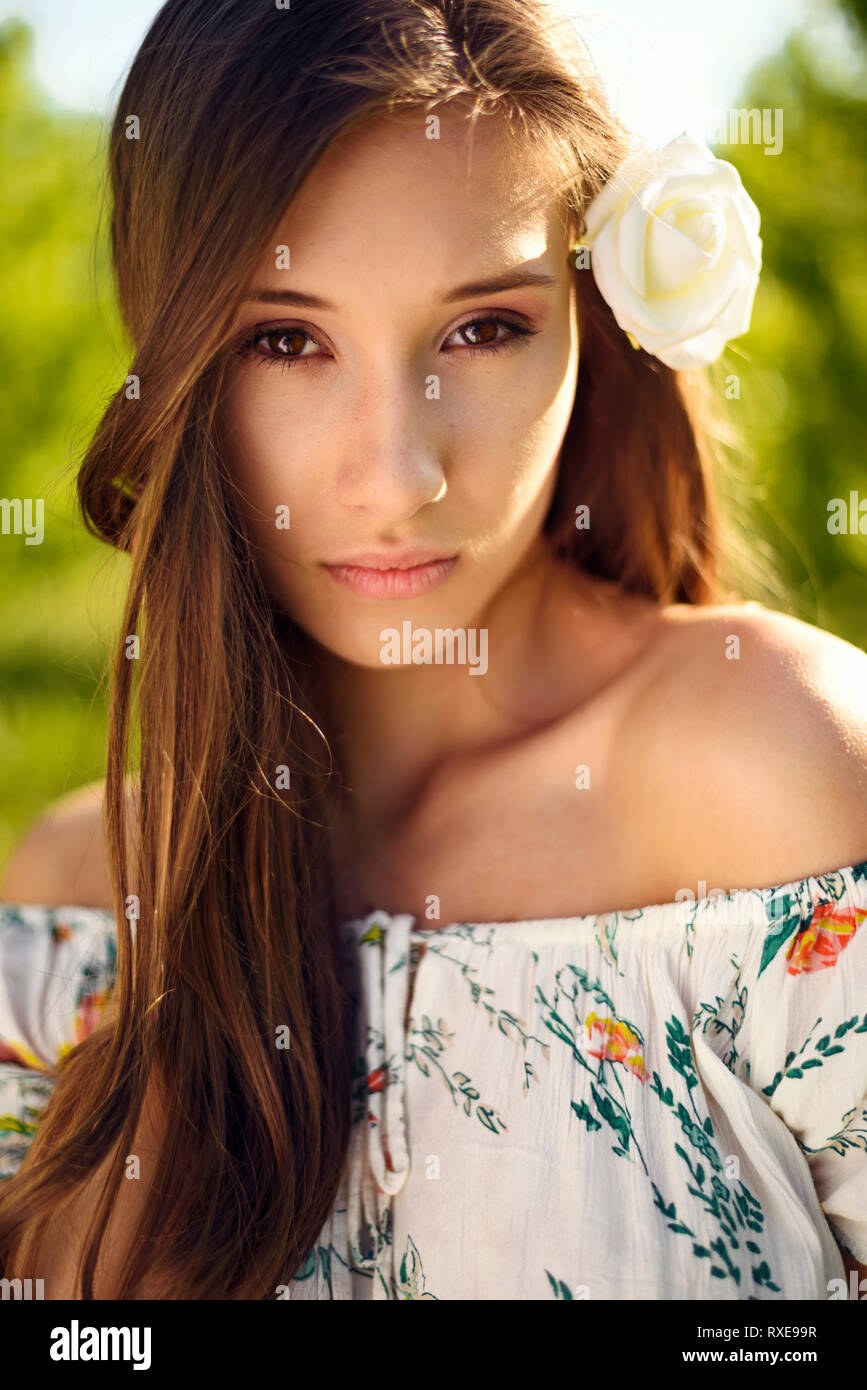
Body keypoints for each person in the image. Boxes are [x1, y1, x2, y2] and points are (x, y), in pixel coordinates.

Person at [0, 0, 865, 1300]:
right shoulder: (76, 913)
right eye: (285, 340)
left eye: (482, 328)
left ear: (593, 318)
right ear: (169, 361)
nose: (396, 477)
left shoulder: (776, 771)